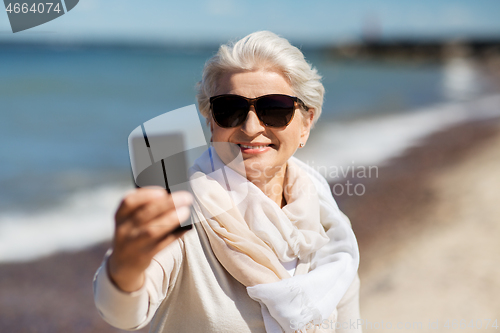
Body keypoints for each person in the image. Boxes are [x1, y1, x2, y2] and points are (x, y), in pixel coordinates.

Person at [93, 31, 362, 333]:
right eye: (230, 110)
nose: (250, 127)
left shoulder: (331, 226)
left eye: (275, 109)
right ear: (210, 122)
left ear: (306, 124)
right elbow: (124, 312)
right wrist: (125, 266)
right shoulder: (182, 209)